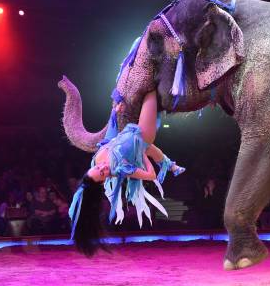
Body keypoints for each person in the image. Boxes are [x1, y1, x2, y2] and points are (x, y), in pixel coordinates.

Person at [69, 90, 184, 256]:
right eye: (102, 173)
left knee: (146, 92)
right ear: (103, 181)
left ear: (91, 168)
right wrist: (142, 153)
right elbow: (151, 175)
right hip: (143, 134)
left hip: (129, 128)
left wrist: (115, 114)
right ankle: (169, 164)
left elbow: (111, 138)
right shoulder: (121, 170)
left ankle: (170, 164)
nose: (101, 168)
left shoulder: (97, 158)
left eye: (96, 169)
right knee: (149, 91)